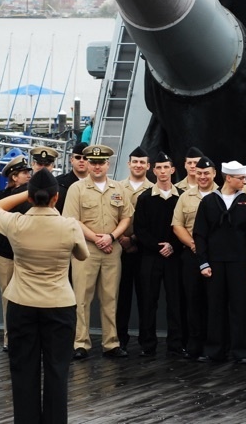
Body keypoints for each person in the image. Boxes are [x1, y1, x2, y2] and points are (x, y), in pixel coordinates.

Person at [0, 169, 89, 423]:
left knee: (23, 370)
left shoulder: (17, 223)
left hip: (21, 303)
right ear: (56, 197)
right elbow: (82, 255)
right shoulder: (69, 226)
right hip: (59, 305)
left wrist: (24, 193)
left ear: (31, 198)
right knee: (57, 370)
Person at [63, 145, 134, 359]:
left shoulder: (118, 188)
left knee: (111, 297)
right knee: (82, 297)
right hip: (85, 250)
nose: (96, 166)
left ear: (107, 164)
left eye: (101, 162)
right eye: (93, 162)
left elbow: (126, 217)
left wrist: (111, 237)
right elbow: (73, 219)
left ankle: (111, 342)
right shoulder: (77, 188)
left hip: (112, 249)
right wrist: (96, 238)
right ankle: (80, 342)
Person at [193, 161, 246, 364]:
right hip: (215, 262)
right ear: (228, 178)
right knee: (215, 306)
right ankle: (215, 349)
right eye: (241, 178)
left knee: (239, 306)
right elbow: (200, 234)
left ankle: (240, 350)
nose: (245, 181)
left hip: (239, 263)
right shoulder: (208, 202)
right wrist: (203, 263)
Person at [133, 152, 185, 357]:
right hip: (150, 257)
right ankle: (147, 344)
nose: (163, 172)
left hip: (174, 257)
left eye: (166, 167)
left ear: (173, 170)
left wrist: (172, 245)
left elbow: (183, 225)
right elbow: (140, 228)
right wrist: (158, 246)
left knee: (176, 301)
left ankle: (175, 344)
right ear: (153, 171)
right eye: (159, 168)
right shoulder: (144, 198)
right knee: (148, 301)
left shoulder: (181, 196)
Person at [172, 156, 219, 359]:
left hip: (216, 256)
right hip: (191, 255)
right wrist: (194, 245)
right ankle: (194, 345)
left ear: (214, 174)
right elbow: (177, 225)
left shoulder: (222, 195)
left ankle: (214, 345)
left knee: (214, 301)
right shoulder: (185, 196)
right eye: (199, 173)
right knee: (193, 301)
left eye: (206, 173)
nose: (202, 176)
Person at [0, 155, 32, 352]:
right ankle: (9, 338)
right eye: (25, 173)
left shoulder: (31, 197)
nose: (28, 176)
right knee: (7, 296)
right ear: (14, 177)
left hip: (24, 255)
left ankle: (24, 336)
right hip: (5, 254)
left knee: (27, 297)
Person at [116, 146, 153, 350]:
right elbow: (111, 216)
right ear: (129, 164)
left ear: (148, 166)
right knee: (121, 296)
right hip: (120, 248)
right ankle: (120, 338)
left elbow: (154, 222)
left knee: (145, 296)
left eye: (142, 162)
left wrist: (134, 239)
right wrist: (122, 238)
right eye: (135, 162)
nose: (138, 165)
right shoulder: (117, 187)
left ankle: (146, 341)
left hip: (143, 249)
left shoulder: (154, 189)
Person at [55, 143, 89, 214]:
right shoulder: (59, 183)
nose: (81, 160)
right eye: (78, 157)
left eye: (85, 158)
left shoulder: (96, 183)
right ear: (72, 160)